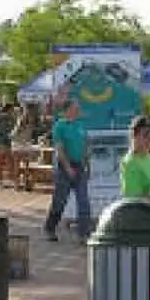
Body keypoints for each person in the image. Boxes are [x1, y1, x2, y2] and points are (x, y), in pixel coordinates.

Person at [43, 99, 91, 244]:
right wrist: (68, 167)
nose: (78, 110)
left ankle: (83, 234)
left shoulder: (81, 125)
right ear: (67, 110)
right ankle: (50, 228)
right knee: (60, 201)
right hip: (65, 167)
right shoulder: (60, 126)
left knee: (83, 201)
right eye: (76, 108)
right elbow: (59, 149)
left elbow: (86, 145)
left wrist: (88, 165)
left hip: (80, 166)